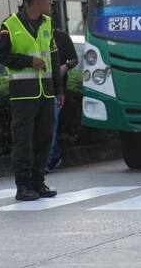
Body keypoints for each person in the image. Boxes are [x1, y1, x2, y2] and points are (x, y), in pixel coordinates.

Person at [0, 0, 65, 201]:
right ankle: (23, 186)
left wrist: (59, 89)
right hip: (23, 94)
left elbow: (54, 58)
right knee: (23, 141)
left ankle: (38, 182)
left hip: (46, 92)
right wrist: (28, 61)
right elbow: (1, 56)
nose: (51, 3)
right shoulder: (10, 25)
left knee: (45, 139)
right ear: (36, 1)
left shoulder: (48, 24)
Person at [46, 22, 79, 173]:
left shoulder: (61, 37)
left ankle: (47, 161)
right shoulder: (32, 37)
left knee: (50, 124)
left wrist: (65, 67)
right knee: (44, 126)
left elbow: (74, 59)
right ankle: (53, 156)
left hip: (56, 89)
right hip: (36, 90)